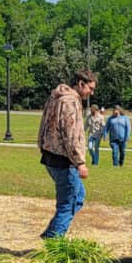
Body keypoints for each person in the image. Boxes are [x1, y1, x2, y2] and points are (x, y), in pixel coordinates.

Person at [38, 69, 96, 238]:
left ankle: (51, 233)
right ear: (80, 84)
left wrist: (41, 145)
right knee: (68, 204)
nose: (91, 92)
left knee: (79, 195)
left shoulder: (55, 97)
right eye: (90, 88)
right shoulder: (70, 102)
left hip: (50, 156)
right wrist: (80, 162)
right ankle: (54, 242)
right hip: (65, 161)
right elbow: (71, 134)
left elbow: (43, 123)